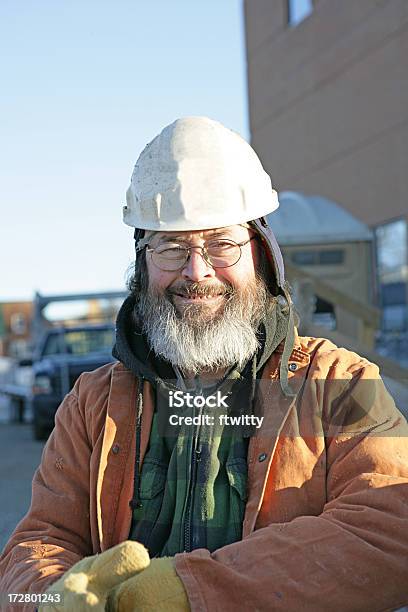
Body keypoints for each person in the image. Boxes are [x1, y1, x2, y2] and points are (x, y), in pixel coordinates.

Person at [1, 116, 407, 611]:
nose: (197, 272)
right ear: (142, 263)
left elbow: (392, 529)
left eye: (221, 244)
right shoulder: (92, 403)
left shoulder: (341, 383)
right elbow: (36, 544)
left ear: (261, 255)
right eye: (171, 247)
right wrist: (44, 598)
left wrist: (192, 593)